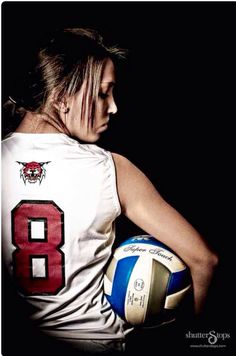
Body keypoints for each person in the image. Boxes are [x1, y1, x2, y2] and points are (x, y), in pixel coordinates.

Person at [2, 28, 218, 355]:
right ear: (62, 96)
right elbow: (205, 261)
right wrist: (200, 343)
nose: (114, 107)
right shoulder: (110, 169)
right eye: (104, 93)